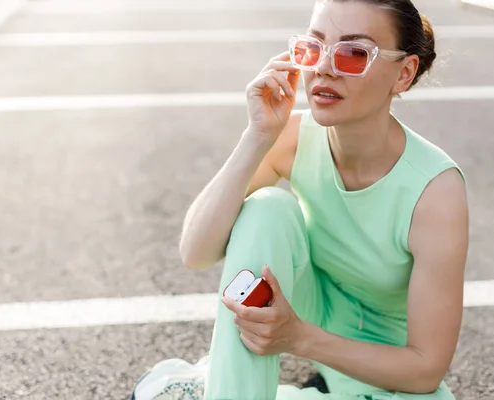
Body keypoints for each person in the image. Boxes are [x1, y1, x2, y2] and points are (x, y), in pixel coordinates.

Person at [131, 0, 469, 399]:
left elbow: (425, 370)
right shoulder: (292, 138)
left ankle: (208, 385)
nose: (323, 68)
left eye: (354, 53)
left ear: (404, 72)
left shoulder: (436, 191)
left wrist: (298, 338)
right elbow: (196, 253)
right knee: (267, 208)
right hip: (317, 313)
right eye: (314, 46)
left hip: (392, 377)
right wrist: (257, 137)